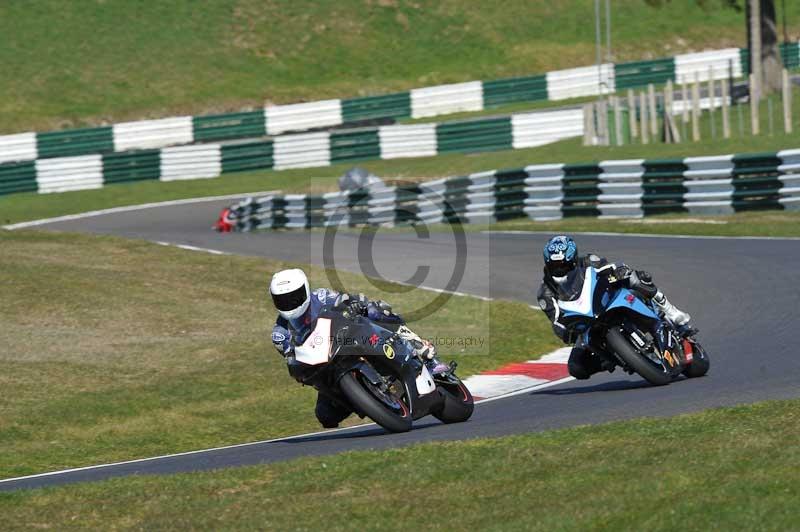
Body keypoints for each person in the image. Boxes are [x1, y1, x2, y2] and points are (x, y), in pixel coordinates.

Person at [269, 268, 448, 428]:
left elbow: (345, 299)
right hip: (324, 365)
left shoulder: (321, 296)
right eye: (283, 300)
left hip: (347, 339)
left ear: (306, 290)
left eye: (294, 297)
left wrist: (354, 304)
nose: (290, 303)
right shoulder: (280, 332)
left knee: (375, 310)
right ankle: (365, 399)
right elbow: (293, 358)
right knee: (325, 416)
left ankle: (425, 354)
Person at [536, 235, 691, 380]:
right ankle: (613, 358)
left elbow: (609, 267)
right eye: (554, 266)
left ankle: (671, 311)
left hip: (608, 300)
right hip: (585, 324)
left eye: (564, 265)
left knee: (636, 278)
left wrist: (618, 271)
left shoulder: (589, 261)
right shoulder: (545, 293)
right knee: (576, 367)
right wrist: (565, 332)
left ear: (574, 260)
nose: (559, 270)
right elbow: (556, 320)